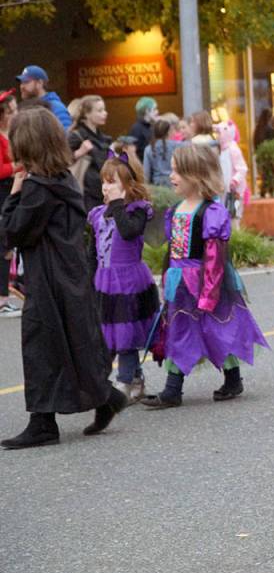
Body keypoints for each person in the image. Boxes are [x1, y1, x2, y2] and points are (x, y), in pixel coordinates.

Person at [0, 108, 128, 449]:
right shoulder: (61, 180)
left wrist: (13, 191)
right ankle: (106, 397)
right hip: (69, 274)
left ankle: (43, 422)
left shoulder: (36, 189)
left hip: (48, 277)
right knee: (71, 341)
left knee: (40, 344)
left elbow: (11, 232)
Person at [142, 144, 268, 408]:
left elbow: (214, 256)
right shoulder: (176, 209)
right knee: (179, 329)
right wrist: (167, 279)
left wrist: (209, 292)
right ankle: (172, 389)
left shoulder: (211, 212)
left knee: (218, 329)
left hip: (206, 282)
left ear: (196, 175)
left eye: (178, 171)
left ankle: (233, 378)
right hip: (180, 283)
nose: (171, 176)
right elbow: (172, 252)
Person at [88, 145, 160, 402]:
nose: (105, 188)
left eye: (112, 183)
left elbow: (129, 232)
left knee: (125, 334)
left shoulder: (137, 210)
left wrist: (119, 205)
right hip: (106, 283)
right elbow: (93, 252)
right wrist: (88, 281)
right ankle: (137, 381)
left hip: (129, 281)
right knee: (113, 333)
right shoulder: (98, 214)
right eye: (103, 182)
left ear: (129, 186)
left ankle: (124, 381)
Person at [67, 95, 113, 212]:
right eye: (100, 110)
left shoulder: (104, 139)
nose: (105, 113)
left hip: (103, 191)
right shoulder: (76, 136)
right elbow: (60, 161)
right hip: (85, 195)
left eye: (104, 110)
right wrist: (80, 152)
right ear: (87, 114)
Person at [0, 89, 22, 317]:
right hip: (3, 194)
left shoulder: (12, 133)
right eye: (12, 111)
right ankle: (2, 299)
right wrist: (19, 165)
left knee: (8, 247)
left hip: (12, 191)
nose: (17, 113)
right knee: (4, 247)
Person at [16, 65, 72, 130]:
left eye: (26, 82)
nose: (22, 86)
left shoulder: (56, 107)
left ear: (40, 83)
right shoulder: (25, 108)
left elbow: (66, 137)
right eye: (21, 82)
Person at [215, 120, 249, 222]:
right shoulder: (220, 150)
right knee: (223, 216)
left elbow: (242, 168)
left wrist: (235, 180)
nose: (217, 136)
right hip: (222, 190)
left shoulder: (233, 149)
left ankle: (236, 236)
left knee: (234, 215)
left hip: (235, 191)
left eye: (219, 133)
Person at [142, 119, 183, 187]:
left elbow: (146, 173)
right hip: (174, 182)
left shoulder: (148, 149)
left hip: (158, 184)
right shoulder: (177, 145)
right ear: (168, 132)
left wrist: (146, 187)